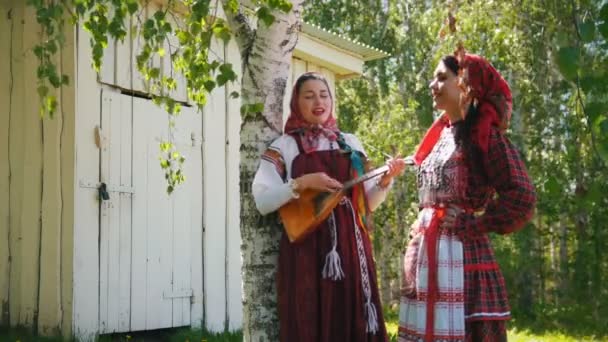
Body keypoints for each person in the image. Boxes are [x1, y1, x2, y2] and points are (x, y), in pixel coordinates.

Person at [252, 72, 406, 342]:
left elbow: (366, 202)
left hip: (351, 249)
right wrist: (301, 183)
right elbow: (263, 201)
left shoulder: (350, 143)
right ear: (296, 103)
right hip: (307, 252)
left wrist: (386, 180)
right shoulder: (285, 146)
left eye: (323, 95)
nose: (318, 101)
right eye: (308, 96)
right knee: (309, 318)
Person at [398, 52, 537, 342]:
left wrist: (474, 223)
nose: (432, 85)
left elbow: (522, 196)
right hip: (427, 256)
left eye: (441, 78)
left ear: (466, 85)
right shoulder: (440, 137)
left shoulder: (484, 136)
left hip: (462, 257)